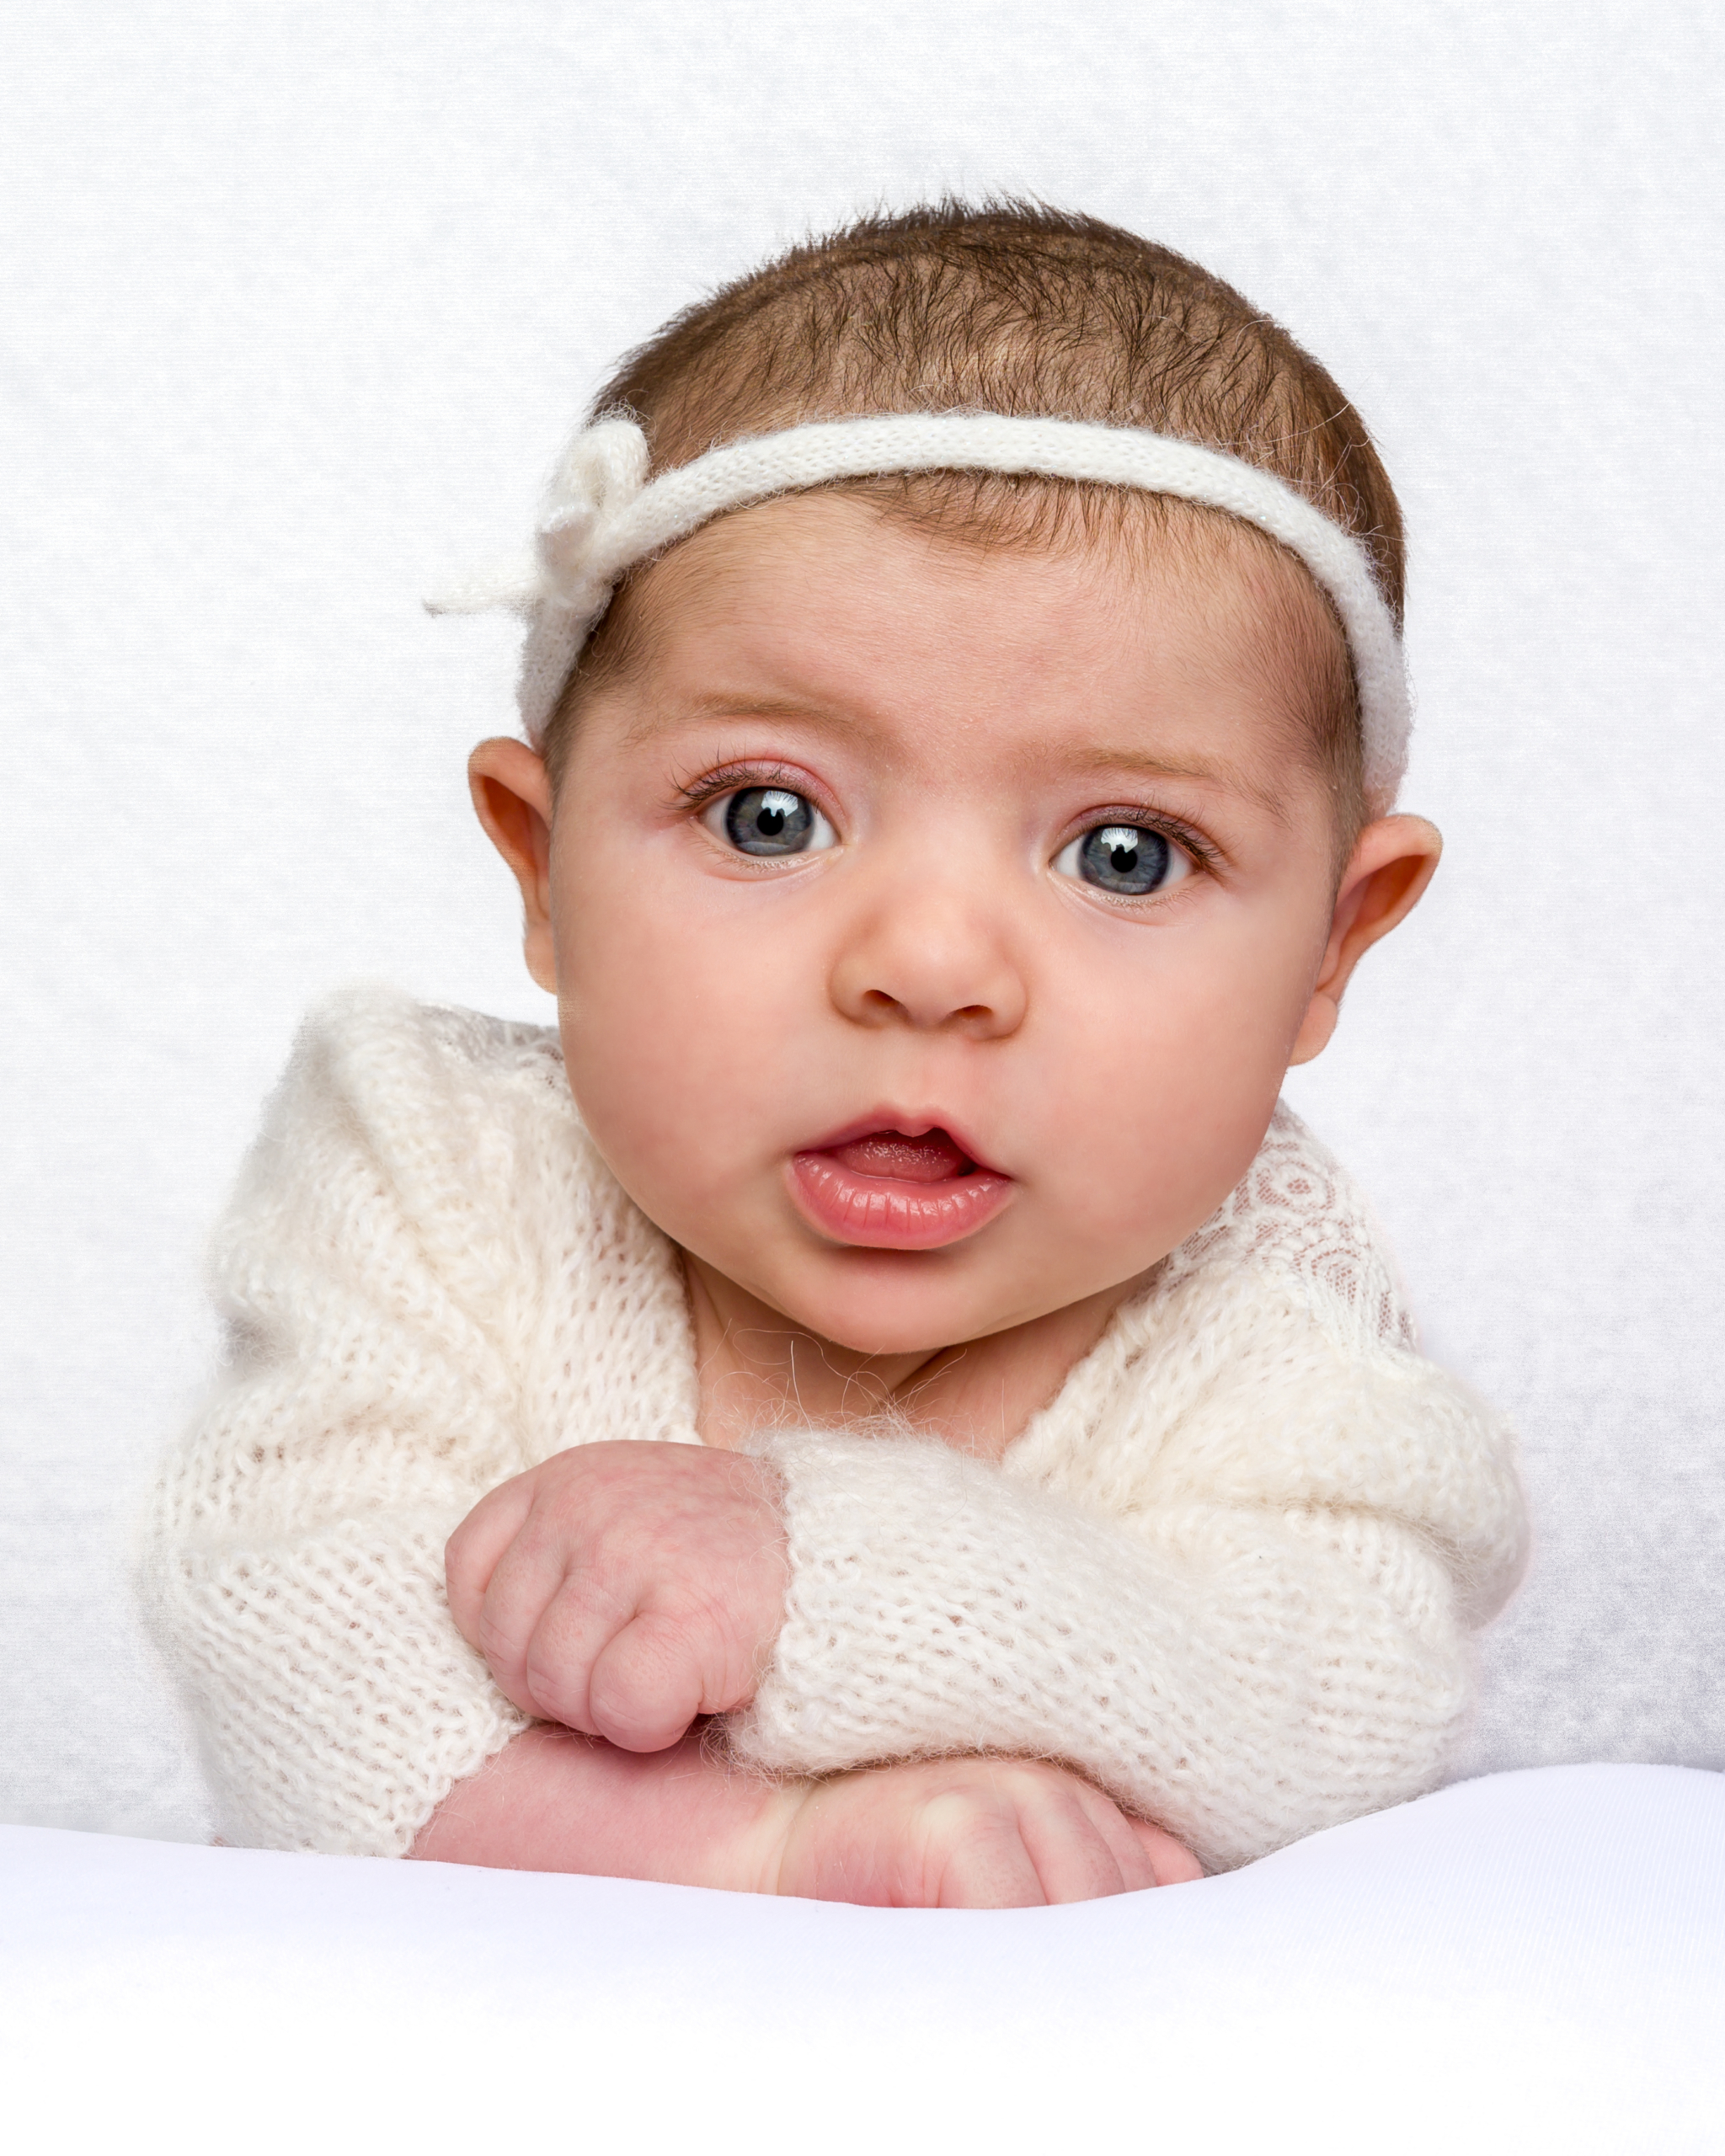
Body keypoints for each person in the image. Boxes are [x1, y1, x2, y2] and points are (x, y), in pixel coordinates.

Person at [143, 201, 1527, 1907]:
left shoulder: (1267, 1301)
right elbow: (294, 1643)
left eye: (1125, 854)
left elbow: (1335, 1700)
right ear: (544, 867)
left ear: (1330, 944)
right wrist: (775, 1853)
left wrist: (820, 1571)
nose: (928, 969)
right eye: (769, 815)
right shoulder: (434, 1167)